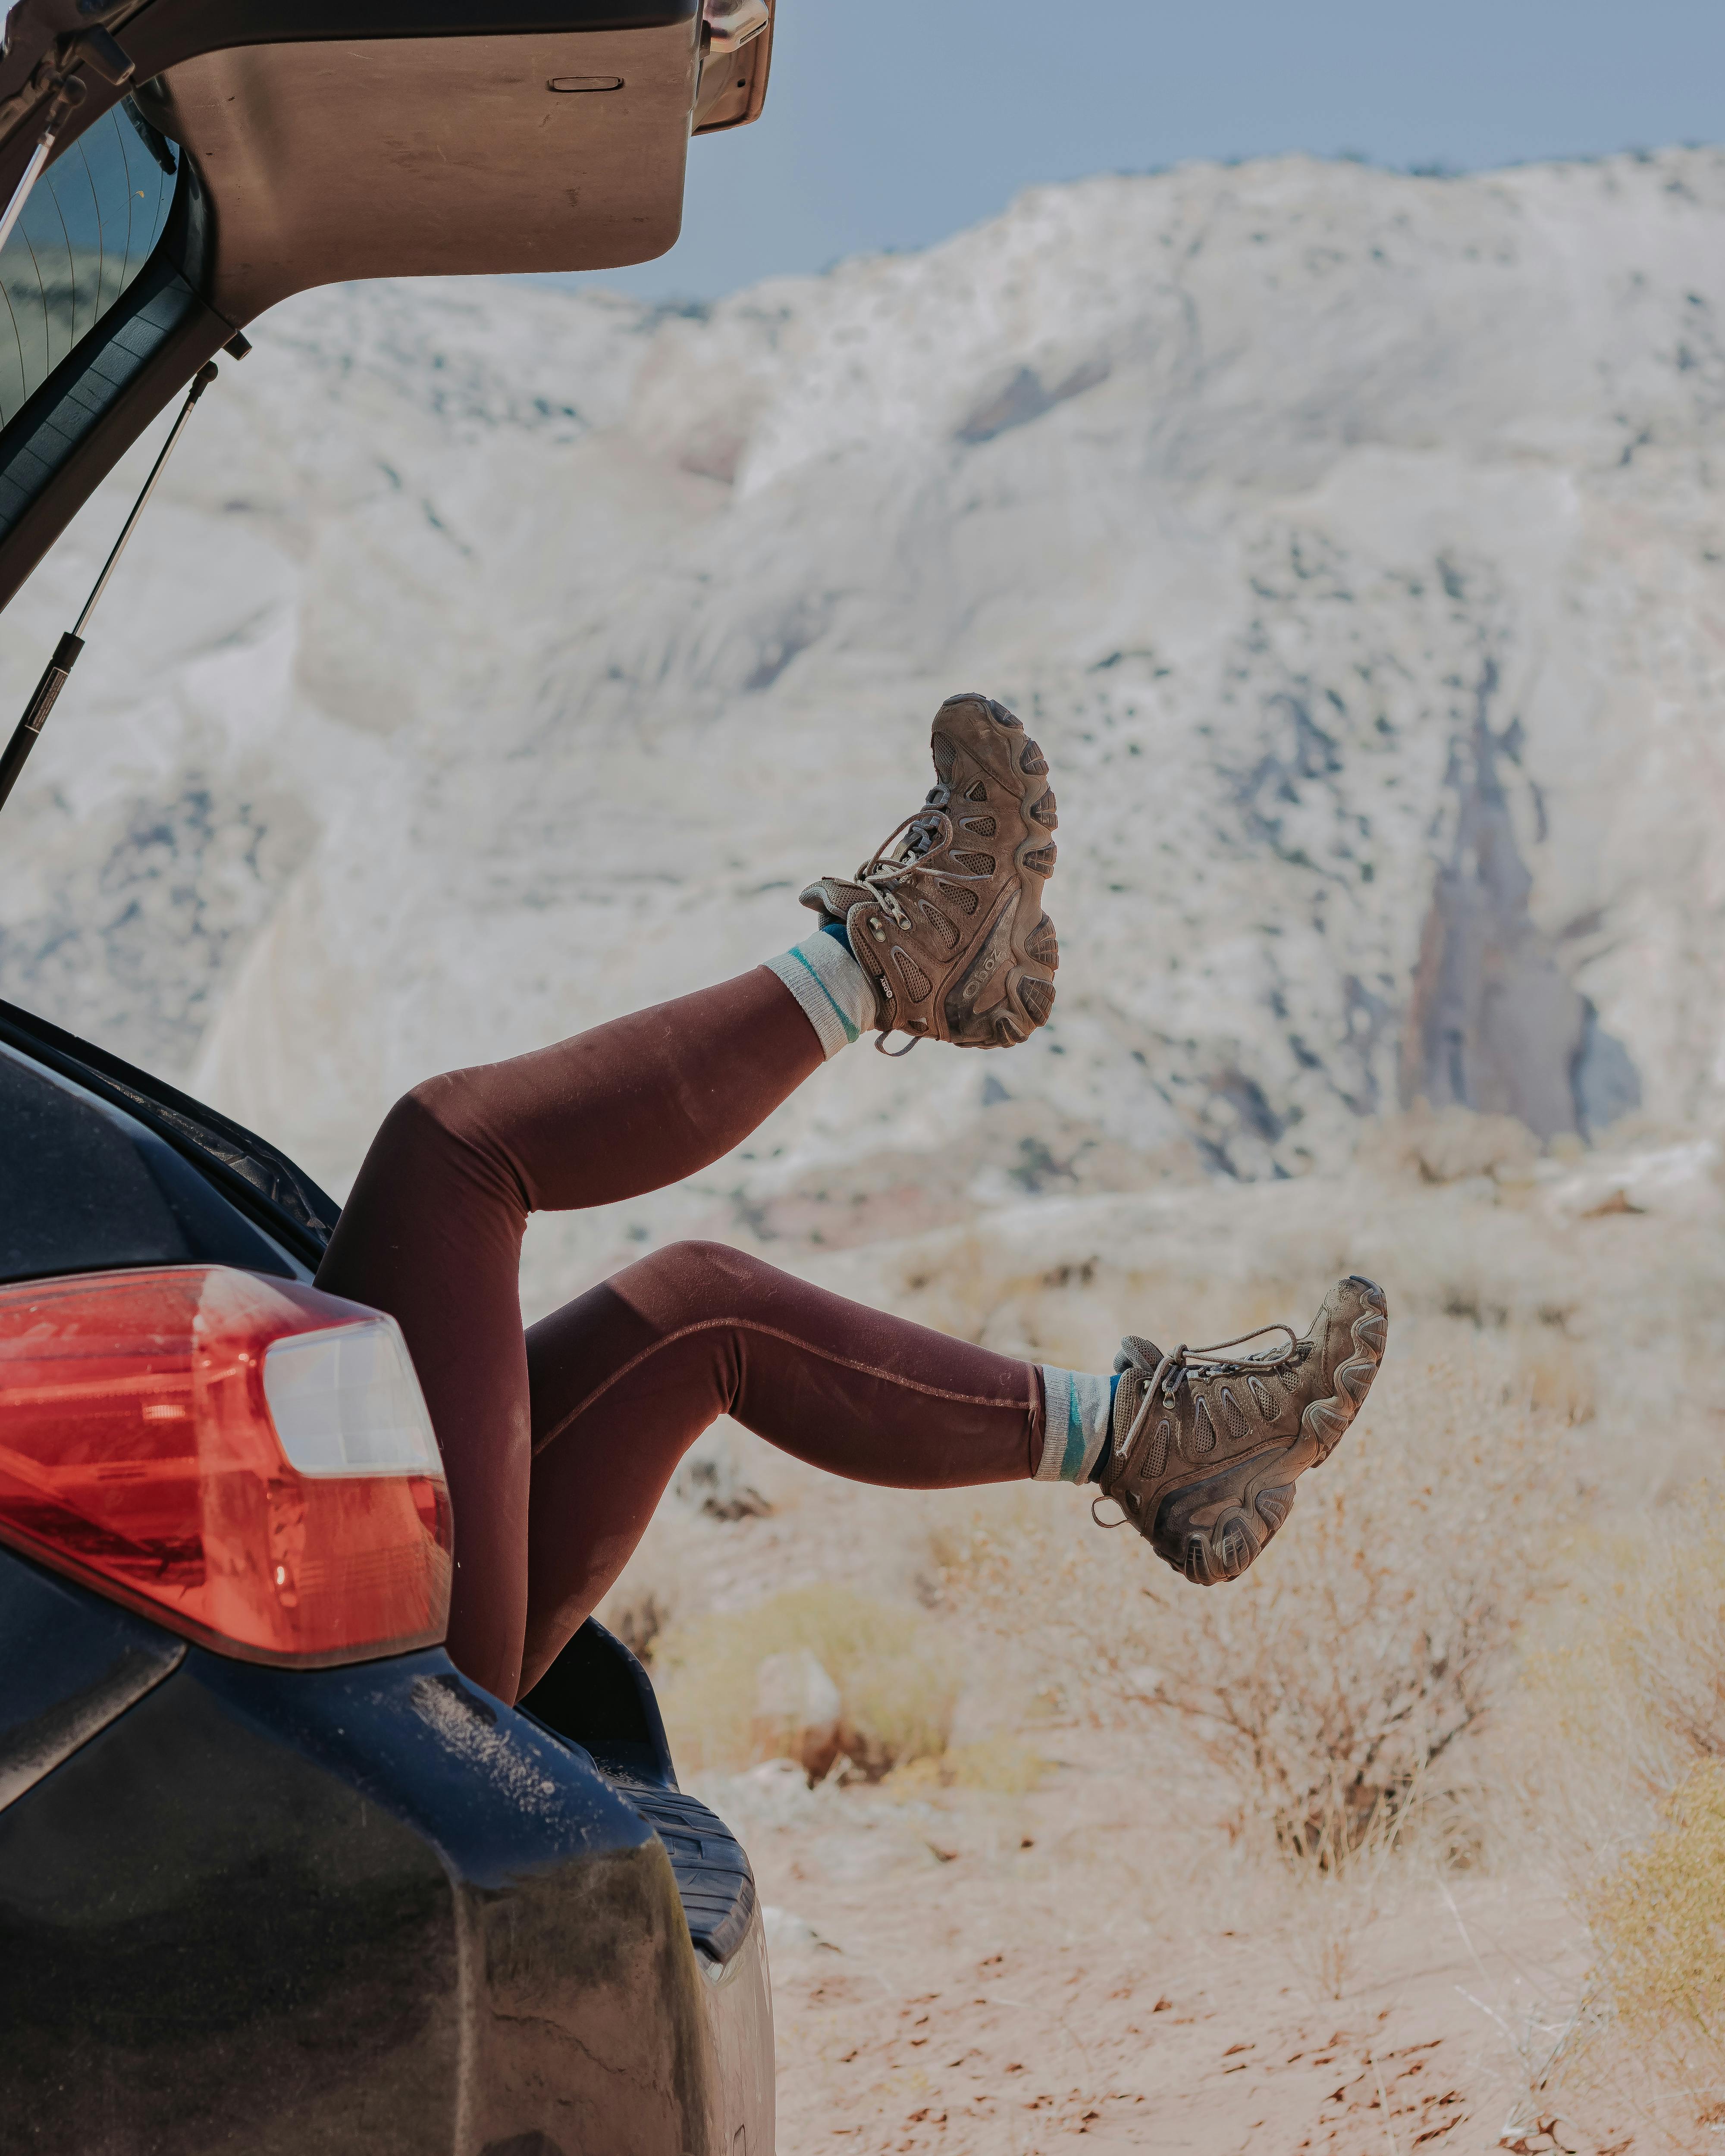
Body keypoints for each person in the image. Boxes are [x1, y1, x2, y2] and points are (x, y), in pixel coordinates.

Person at [315, 693, 1389, 1703]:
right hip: (344, 1710)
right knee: (452, 1151)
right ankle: (892, 961)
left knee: (696, 1307)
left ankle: (1151, 1443)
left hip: (344, 1678)